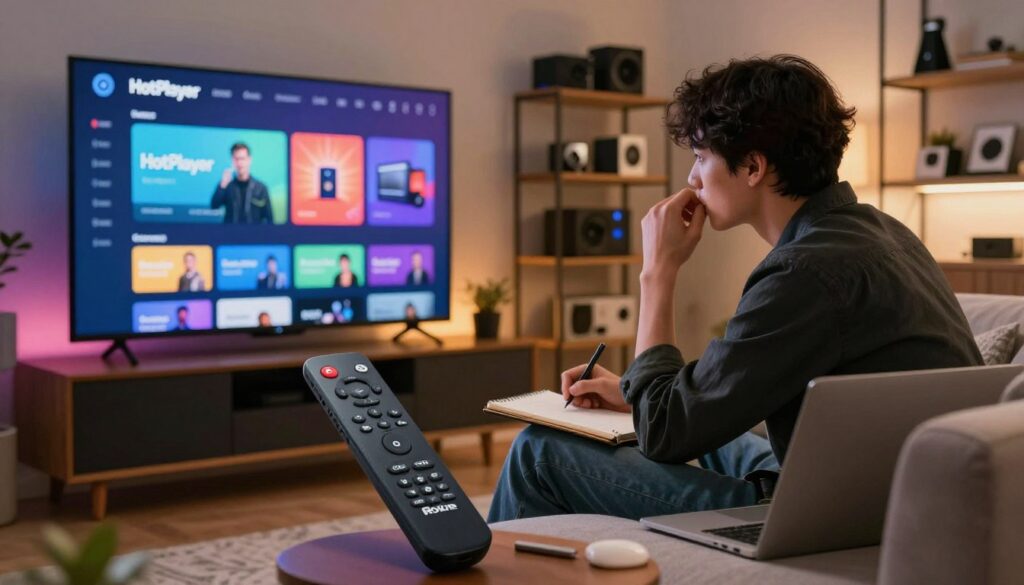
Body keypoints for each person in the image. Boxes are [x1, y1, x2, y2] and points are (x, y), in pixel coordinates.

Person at [488, 55, 983, 523]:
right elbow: (721, 392)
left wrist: (658, 271)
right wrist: (632, 391)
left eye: (701, 156)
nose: (692, 177)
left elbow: (664, 434)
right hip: (861, 491)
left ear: (752, 167)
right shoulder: (883, 232)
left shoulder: (803, 273)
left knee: (539, 451)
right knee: (716, 437)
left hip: (813, 517)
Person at [210, 142, 273, 224]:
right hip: (231, 234)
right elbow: (214, 206)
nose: (239, 163)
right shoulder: (227, 186)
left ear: (249, 160)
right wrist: (222, 185)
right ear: (232, 161)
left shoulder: (260, 188)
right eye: (236, 159)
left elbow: (269, 218)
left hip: (254, 235)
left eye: (242, 158)